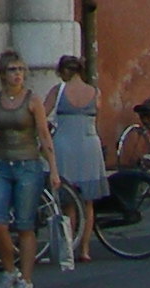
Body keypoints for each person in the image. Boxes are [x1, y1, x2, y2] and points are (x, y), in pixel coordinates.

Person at [0, 48, 54, 285]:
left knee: (24, 225)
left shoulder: (33, 100)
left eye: (21, 70)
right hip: (2, 165)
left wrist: (54, 169)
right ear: (3, 74)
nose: (17, 74)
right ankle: (10, 270)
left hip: (28, 165)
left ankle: (26, 279)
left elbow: (44, 135)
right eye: (12, 70)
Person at [49, 56, 104, 270]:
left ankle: (69, 248)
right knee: (88, 201)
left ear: (63, 72)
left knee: (69, 202)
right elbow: (97, 113)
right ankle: (86, 249)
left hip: (65, 145)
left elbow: (43, 114)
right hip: (90, 144)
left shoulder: (58, 91)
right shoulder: (94, 92)